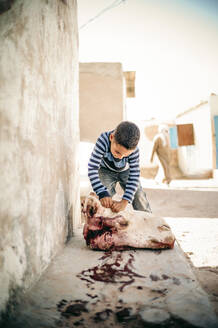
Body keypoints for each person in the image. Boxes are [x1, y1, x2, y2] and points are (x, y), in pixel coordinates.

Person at [88, 121, 151, 213]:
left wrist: (125, 202)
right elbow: (92, 168)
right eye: (117, 152)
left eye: (126, 155)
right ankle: (111, 224)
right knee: (105, 201)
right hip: (105, 171)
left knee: (139, 196)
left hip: (126, 172)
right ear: (111, 137)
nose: (120, 157)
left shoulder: (134, 150)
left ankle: (147, 220)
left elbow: (134, 175)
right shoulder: (103, 140)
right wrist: (101, 192)